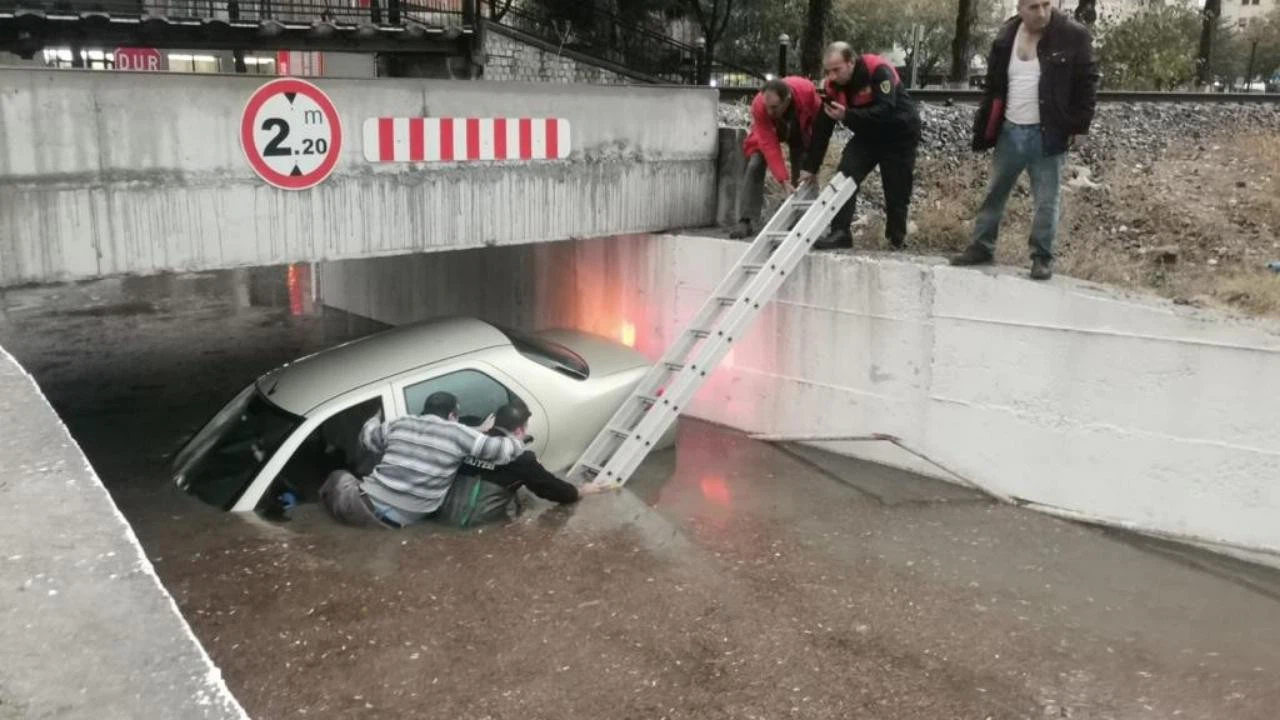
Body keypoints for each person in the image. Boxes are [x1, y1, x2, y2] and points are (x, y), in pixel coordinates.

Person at [950, 0, 1099, 280]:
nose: (1041, 12)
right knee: (994, 192)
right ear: (1019, 7)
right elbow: (994, 85)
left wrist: (1080, 126)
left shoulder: (1073, 35)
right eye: (1033, 6)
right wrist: (986, 125)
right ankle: (981, 247)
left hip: (1048, 132)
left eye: (1046, 4)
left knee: (1047, 199)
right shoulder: (1006, 35)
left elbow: (1087, 82)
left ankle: (1042, 257)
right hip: (1010, 130)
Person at [318, 391, 523, 529]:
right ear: (452, 415)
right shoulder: (459, 435)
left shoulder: (399, 424)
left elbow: (367, 438)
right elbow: (505, 451)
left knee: (338, 475)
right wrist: (516, 435)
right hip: (398, 524)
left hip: (360, 505)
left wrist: (375, 416)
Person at [799, 42, 922, 251]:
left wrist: (847, 115)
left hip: (899, 133)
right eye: (828, 71)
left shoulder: (879, 70)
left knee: (896, 188)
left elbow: (885, 109)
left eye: (836, 70)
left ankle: (896, 239)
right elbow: (822, 129)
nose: (831, 77)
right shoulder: (833, 87)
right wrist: (811, 167)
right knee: (846, 174)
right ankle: (840, 233)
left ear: (851, 63)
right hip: (869, 134)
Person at [437, 403, 603, 528]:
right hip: (481, 527)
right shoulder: (521, 459)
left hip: (443, 519)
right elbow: (553, 489)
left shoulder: (470, 443)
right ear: (519, 431)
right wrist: (580, 491)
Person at [730, 76, 823, 239]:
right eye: (767, 107)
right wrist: (783, 181)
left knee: (803, 170)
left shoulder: (807, 91)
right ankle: (746, 220)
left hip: (800, 129)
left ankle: (802, 218)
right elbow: (769, 146)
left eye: (774, 107)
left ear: (787, 100)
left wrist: (813, 162)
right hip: (770, 131)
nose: (770, 112)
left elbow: (821, 124)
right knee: (755, 164)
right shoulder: (761, 105)